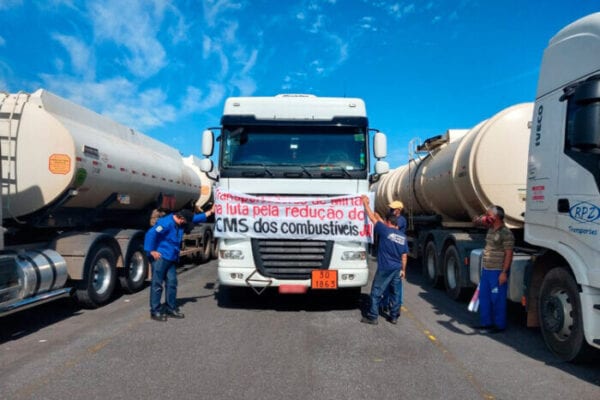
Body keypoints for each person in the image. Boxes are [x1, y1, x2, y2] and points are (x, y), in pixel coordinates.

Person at [144, 206, 215, 322]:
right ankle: (155, 311)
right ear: (181, 218)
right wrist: (151, 251)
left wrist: (210, 212)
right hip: (161, 257)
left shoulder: (180, 221)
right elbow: (151, 234)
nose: (185, 224)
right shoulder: (165, 223)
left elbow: (195, 219)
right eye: (185, 222)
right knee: (157, 284)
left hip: (171, 257)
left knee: (172, 282)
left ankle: (170, 308)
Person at [360, 195, 408, 325]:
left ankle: (373, 316)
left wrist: (365, 204)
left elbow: (371, 218)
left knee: (376, 292)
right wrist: (403, 270)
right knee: (396, 293)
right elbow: (404, 256)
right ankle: (394, 317)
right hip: (397, 268)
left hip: (385, 268)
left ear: (388, 222)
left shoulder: (384, 230)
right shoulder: (403, 237)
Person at [472, 205, 514, 333]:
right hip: (487, 270)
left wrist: (504, 273)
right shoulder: (490, 228)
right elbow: (476, 222)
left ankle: (499, 325)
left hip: (497, 271)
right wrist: (479, 219)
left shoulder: (506, 233)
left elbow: (509, 254)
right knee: (484, 298)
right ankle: (486, 323)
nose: (486, 217)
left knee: (497, 299)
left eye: (489, 215)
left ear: (496, 217)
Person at [380, 200, 407, 315]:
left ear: (398, 210)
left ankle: (396, 307)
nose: (390, 211)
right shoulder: (394, 218)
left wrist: (378, 220)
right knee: (388, 283)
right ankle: (386, 304)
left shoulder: (400, 220)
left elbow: (390, 228)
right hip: (392, 254)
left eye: (392, 209)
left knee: (396, 286)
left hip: (396, 255)